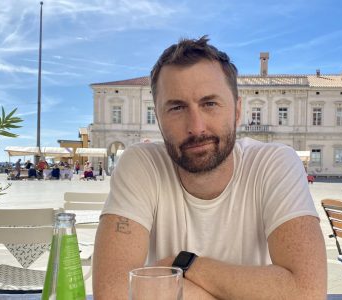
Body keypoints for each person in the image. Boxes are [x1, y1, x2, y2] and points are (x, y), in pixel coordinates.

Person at [93, 36, 327, 299]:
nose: (196, 126)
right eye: (177, 108)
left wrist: (184, 264)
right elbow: (112, 293)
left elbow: (307, 292)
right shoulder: (140, 165)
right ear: (158, 119)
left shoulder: (275, 163)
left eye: (210, 104)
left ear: (237, 111)